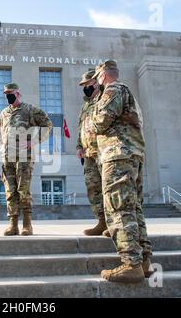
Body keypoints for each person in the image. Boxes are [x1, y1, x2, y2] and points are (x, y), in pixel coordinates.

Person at [91, 60, 153, 283]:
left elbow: (101, 122)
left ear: (103, 75)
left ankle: (131, 264)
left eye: (97, 77)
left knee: (118, 207)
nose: (96, 81)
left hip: (118, 155)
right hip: (132, 154)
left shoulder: (113, 89)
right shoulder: (128, 93)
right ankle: (144, 260)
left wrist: (91, 124)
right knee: (133, 208)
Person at [0, 83, 52, 236]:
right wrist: (0, 146)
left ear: (18, 94)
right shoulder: (3, 113)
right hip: (7, 157)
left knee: (23, 189)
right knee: (10, 190)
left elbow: (47, 124)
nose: (8, 96)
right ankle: (13, 225)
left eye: (11, 93)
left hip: (24, 157)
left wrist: (34, 141)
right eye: (6, 94)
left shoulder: (29, 110)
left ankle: (27, 224)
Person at [76, 69, 106, 236]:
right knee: (93, 188)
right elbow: (81, 128)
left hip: (104, 151)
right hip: (88, 154)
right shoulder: (86, 105)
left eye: (88, 84)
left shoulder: (106, 98)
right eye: (84, 85)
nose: (85, 87)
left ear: (96, 82)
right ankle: (101, 221)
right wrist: (79, 147)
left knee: (108, 188)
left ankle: (113, 223)